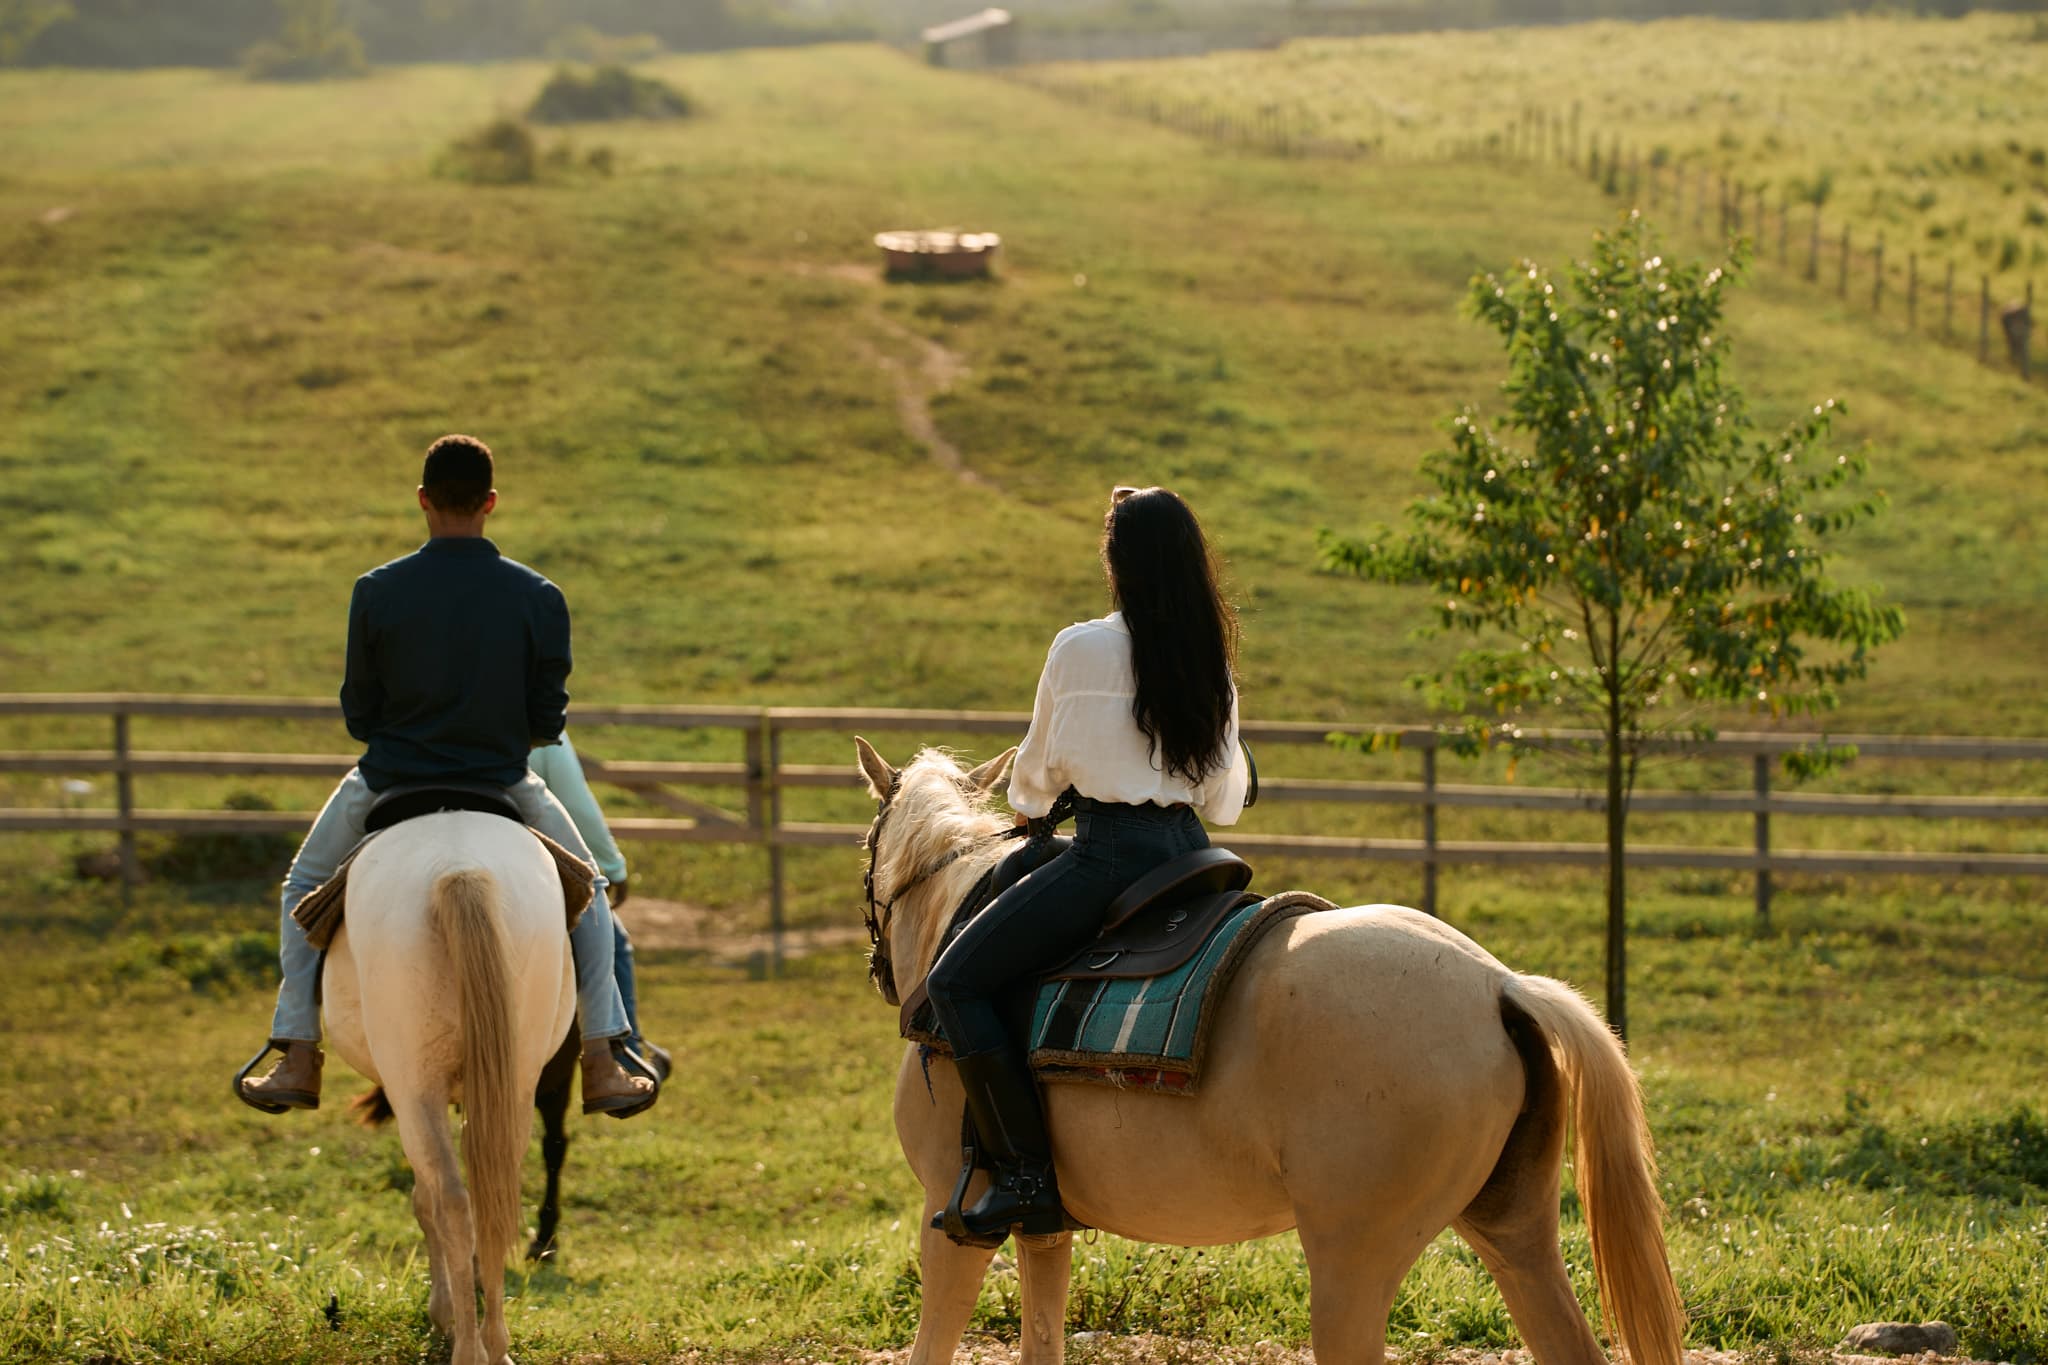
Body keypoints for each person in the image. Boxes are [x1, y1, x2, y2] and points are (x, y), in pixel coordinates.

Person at [237, 434, 656, 1119]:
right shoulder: (539, 596)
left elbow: (359, 714)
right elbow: (547, 720)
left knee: (302, 885)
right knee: (594, 891)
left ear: (423, 501)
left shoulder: (375, 590)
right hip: (503, 781)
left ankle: (297, 1049)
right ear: (491, 503)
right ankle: (606, 1054)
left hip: (389, 778)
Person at [923, 485, 1249, 1244]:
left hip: (1109, 860)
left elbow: (1035, 777)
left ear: (1117, 563)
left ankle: (1028, 1177)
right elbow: (1224, 796)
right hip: (1196, 854)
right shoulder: (1210, 656)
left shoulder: (1081, 647)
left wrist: (1032, 805)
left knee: (954, 981)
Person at [529, 732, 671, 1080]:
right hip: (500, 783)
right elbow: (576, 803)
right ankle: (618, 1058)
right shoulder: (514, 684)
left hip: (405, 776)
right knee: (609, 929)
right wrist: (613, 866)